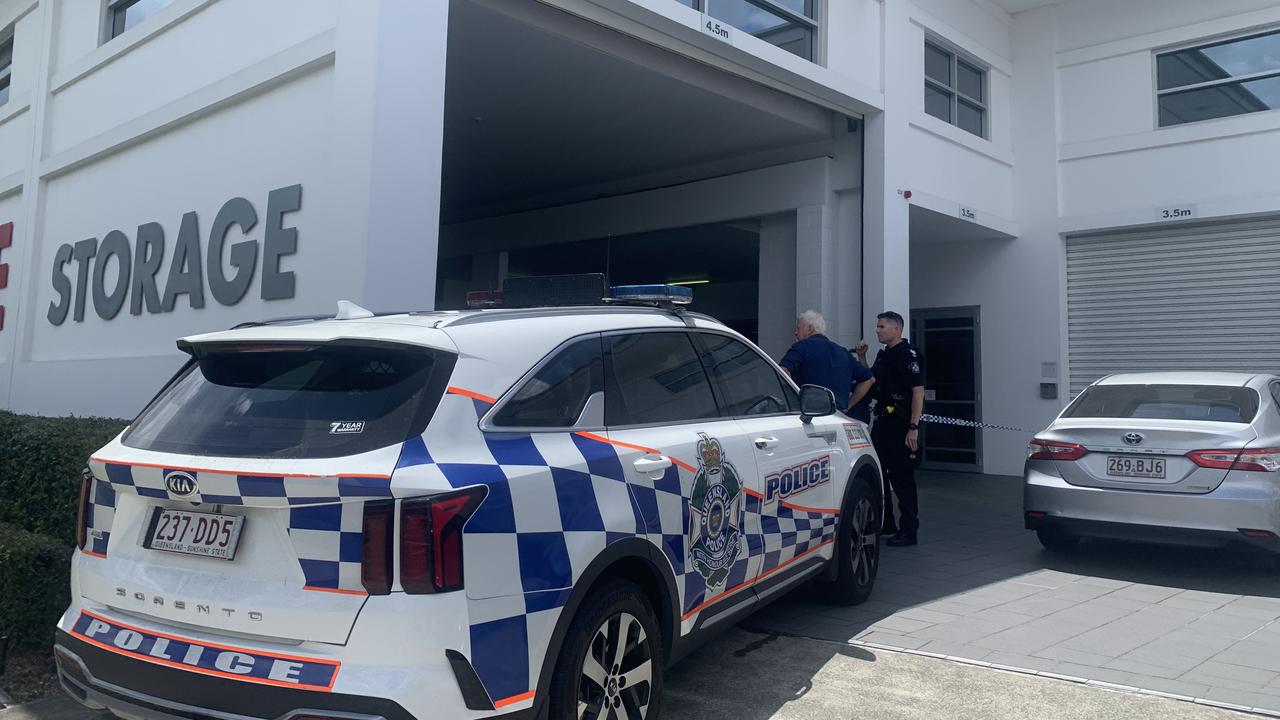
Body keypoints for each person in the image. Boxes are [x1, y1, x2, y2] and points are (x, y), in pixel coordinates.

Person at [855, 311, 925, 547]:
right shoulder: (884, 355)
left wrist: (913, 428)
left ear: (897, 329)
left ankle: (909, 530)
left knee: (902, 478)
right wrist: (863, 359)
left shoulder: (908, 355)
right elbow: (873, 381)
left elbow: (918, 391)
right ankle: (888, 523)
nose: (877, 330)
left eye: (882, 326)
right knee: (879, 472)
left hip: (901, 425)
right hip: (883, 422)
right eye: (877, 326)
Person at [779, 311, 859, 411]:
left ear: (810, 329)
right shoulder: (843, 352)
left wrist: (793, 397)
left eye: (798, 328)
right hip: (837, 415)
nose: (795, 332)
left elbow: (782, 371)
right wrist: (848, 406)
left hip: (807, 414)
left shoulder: (801, 347)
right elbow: (869, 379)